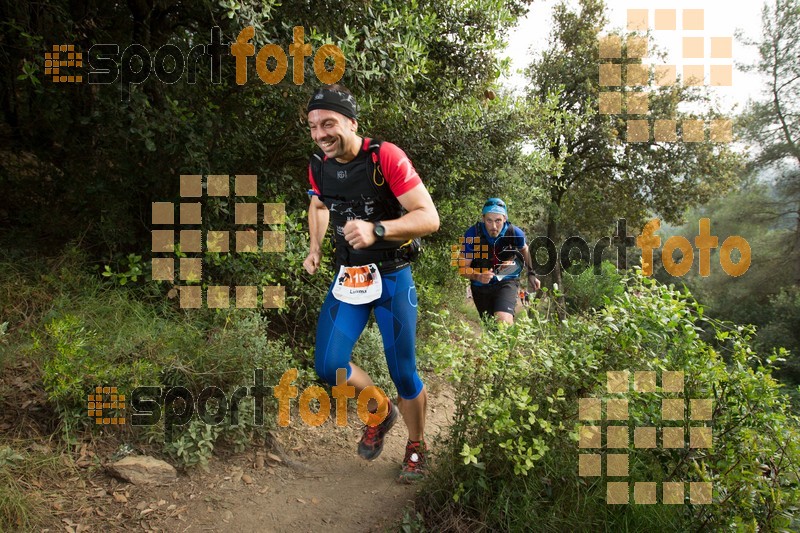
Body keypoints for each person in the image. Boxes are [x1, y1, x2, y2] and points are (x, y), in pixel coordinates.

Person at [302, 85, 439, 483]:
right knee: (329, 364)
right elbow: (319, 203)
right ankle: (380, 411)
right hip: (350, 277)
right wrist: (315, 248)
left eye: (328, 123)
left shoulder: (384, 157)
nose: (320, 134)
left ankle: (416, 446)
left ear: (351, 122)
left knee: (404, 373)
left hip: (393, 275)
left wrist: (378, 229)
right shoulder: (319, 164)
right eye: (313, 126)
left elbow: (428, 218)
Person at [460, 198, 540, 324]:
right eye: (489, 221)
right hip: (480, 286)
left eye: (498, 221)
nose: (493, 226)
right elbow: (462, 268)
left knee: (503, 320)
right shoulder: (472, 234)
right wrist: (478, 276)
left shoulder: (514, 233)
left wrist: (531, 273)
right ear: (483, 219)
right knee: (492, 330)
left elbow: (525, 249)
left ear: (505, 219)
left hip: (506, 280)